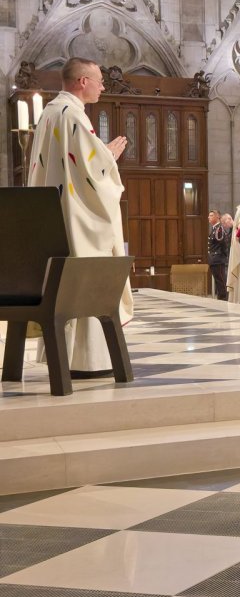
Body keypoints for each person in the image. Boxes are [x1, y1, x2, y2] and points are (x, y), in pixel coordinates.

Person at [27, 56, 132, 377]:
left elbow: (73, 165)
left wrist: (100, 155)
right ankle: (85, 359)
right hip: (76, 218)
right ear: (82, 82)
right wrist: (110, 157)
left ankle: (64, 354)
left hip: (55, 215)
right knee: (88, 269)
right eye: (99, 80)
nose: (102, 86)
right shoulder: (72, 115)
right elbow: (91, 173)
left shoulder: (48, 113)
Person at [207, 210, 230, 301]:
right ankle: (221, 298)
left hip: (218, 258)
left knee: (221, 281)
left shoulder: (219, 229)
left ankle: (223, 299)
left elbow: (224, 244)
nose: (209, 217)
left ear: (217, 217)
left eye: (211, 215)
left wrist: (222, 255)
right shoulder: (215, 228)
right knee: (218, 281)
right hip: (214, 259)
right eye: (209, 215)